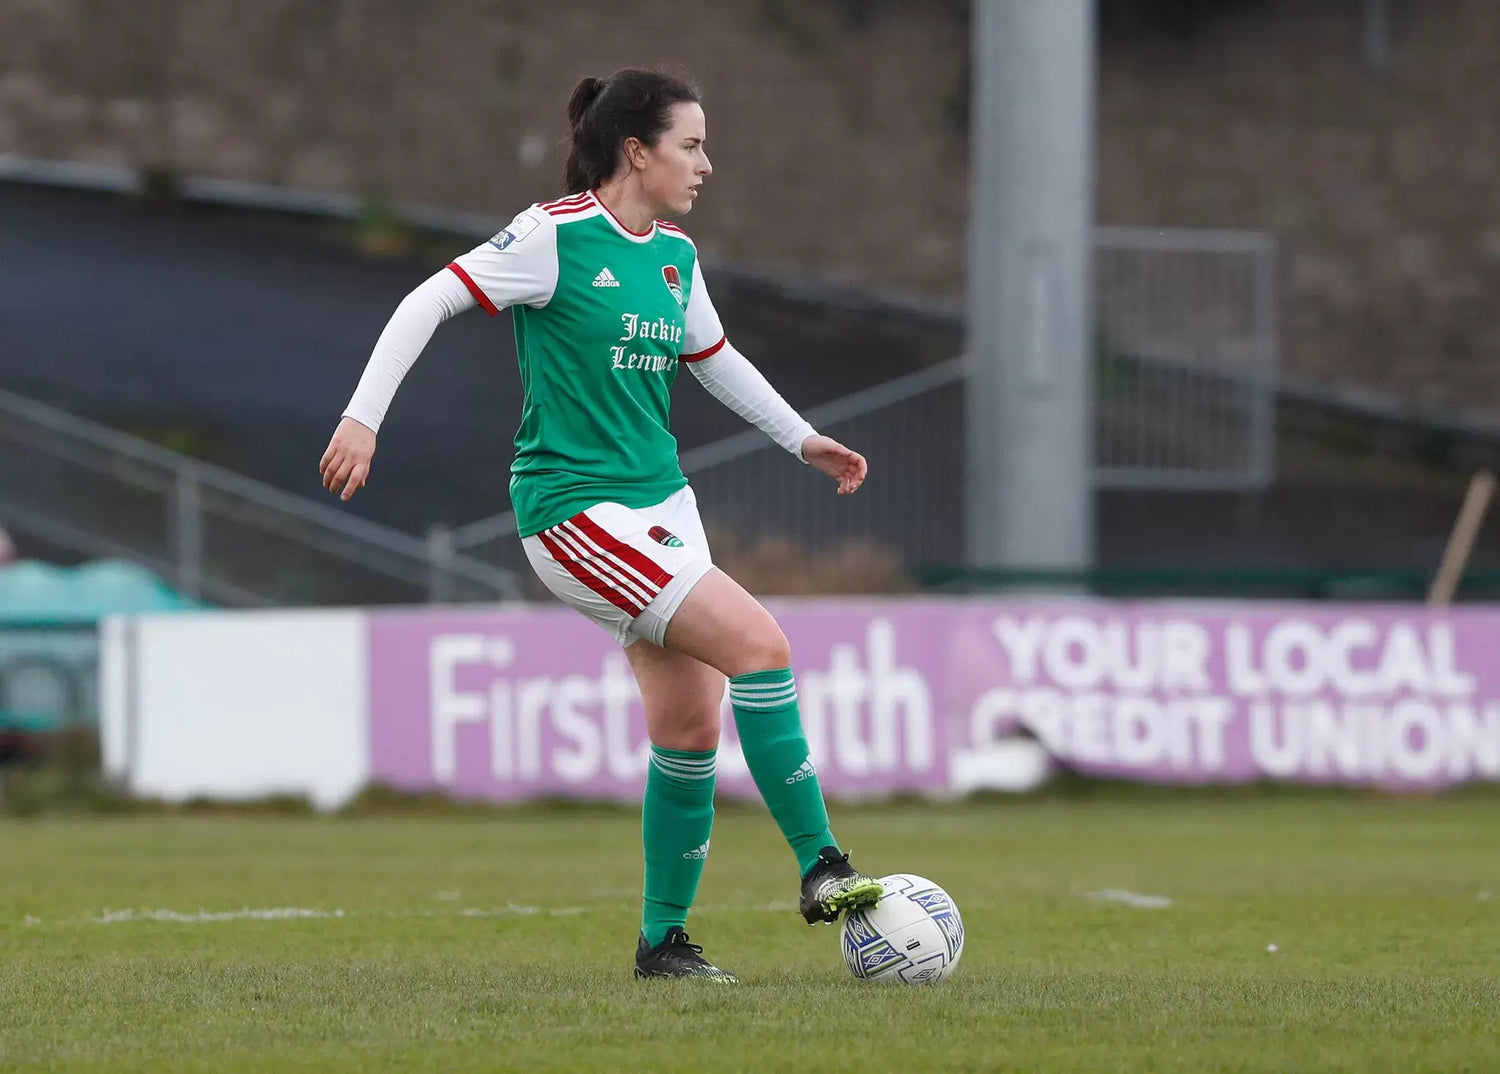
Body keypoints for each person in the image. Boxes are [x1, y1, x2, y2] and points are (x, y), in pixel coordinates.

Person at [320, 68, 881, 983]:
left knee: (692, 729)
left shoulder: (675, 256)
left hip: (663, 508)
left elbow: (716, 359)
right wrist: (362, 416)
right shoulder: (552, 236)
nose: (707, 163)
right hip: (575, 511)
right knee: (763, 647)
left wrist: (803, 439)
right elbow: (428, 300)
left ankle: (663, 945)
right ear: (637, 151)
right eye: (691, 145)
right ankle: (824, 864)